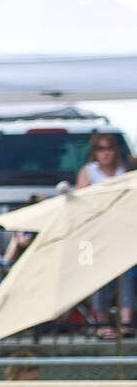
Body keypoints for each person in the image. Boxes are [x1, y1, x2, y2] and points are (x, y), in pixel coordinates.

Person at [76, 131, 134, 337]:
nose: (106, 153)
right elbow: (80, 200)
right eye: (101, 149)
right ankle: (102, 325)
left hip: (122, 232)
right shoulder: (89, 171)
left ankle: (126, 322)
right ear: (95, 152)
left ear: (116, 150)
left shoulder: (125, 169)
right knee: (97, 277)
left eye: (109, 148)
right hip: (96, 233)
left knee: (125, 275)